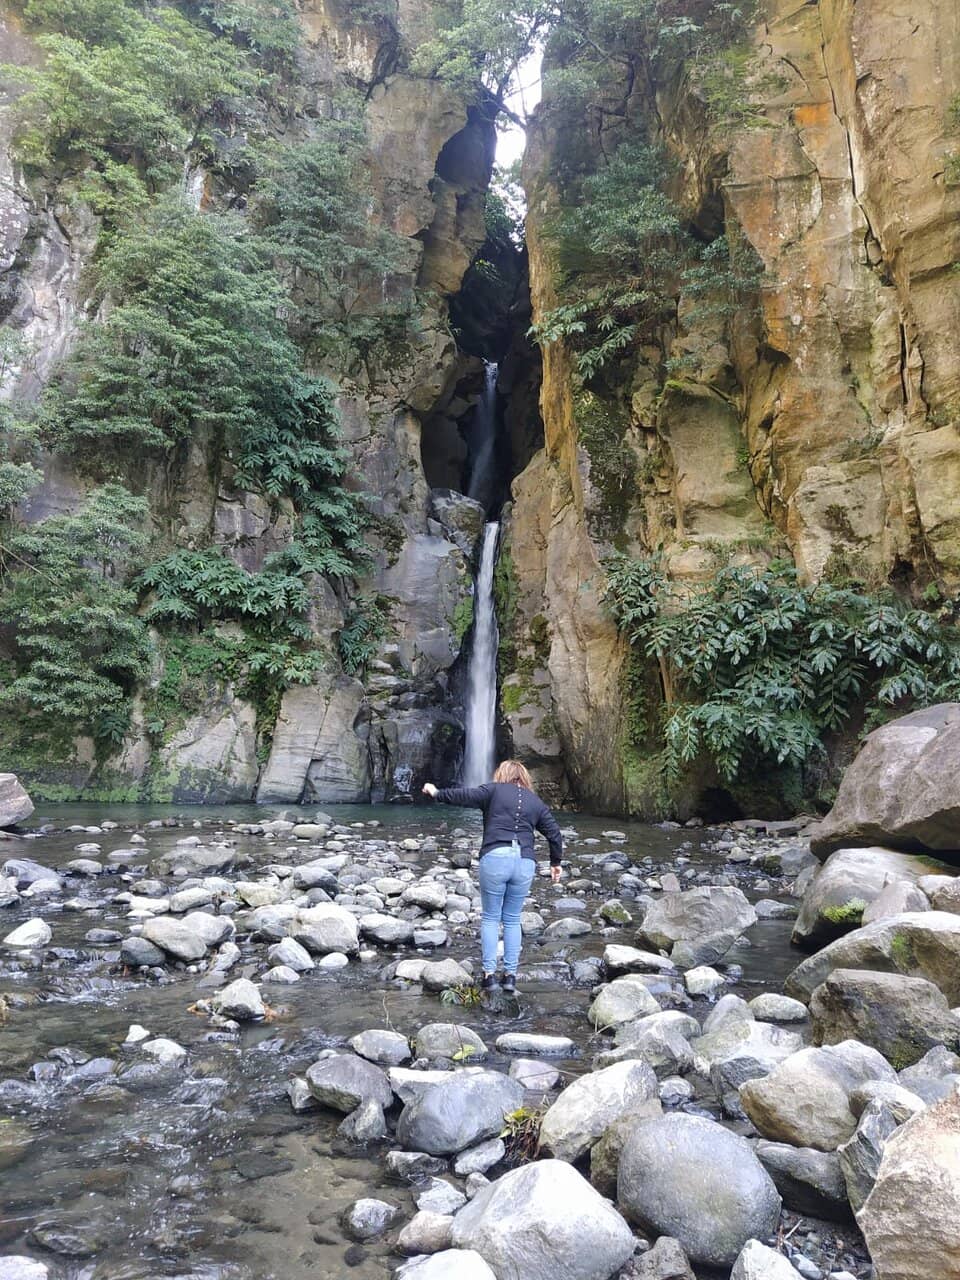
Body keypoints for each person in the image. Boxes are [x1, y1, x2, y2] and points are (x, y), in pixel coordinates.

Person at [422, 759, 563, 993]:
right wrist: (556, 862)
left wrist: (437, 793)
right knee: (512, 919)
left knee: (490, 917)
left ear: (502, 774)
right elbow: (554, 833)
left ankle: (489, 976)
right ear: (524, 777)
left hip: (496, 857)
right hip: (525, 861)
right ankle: (510, 977)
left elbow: (464, 796)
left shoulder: (493, 791)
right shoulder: (535, 801)